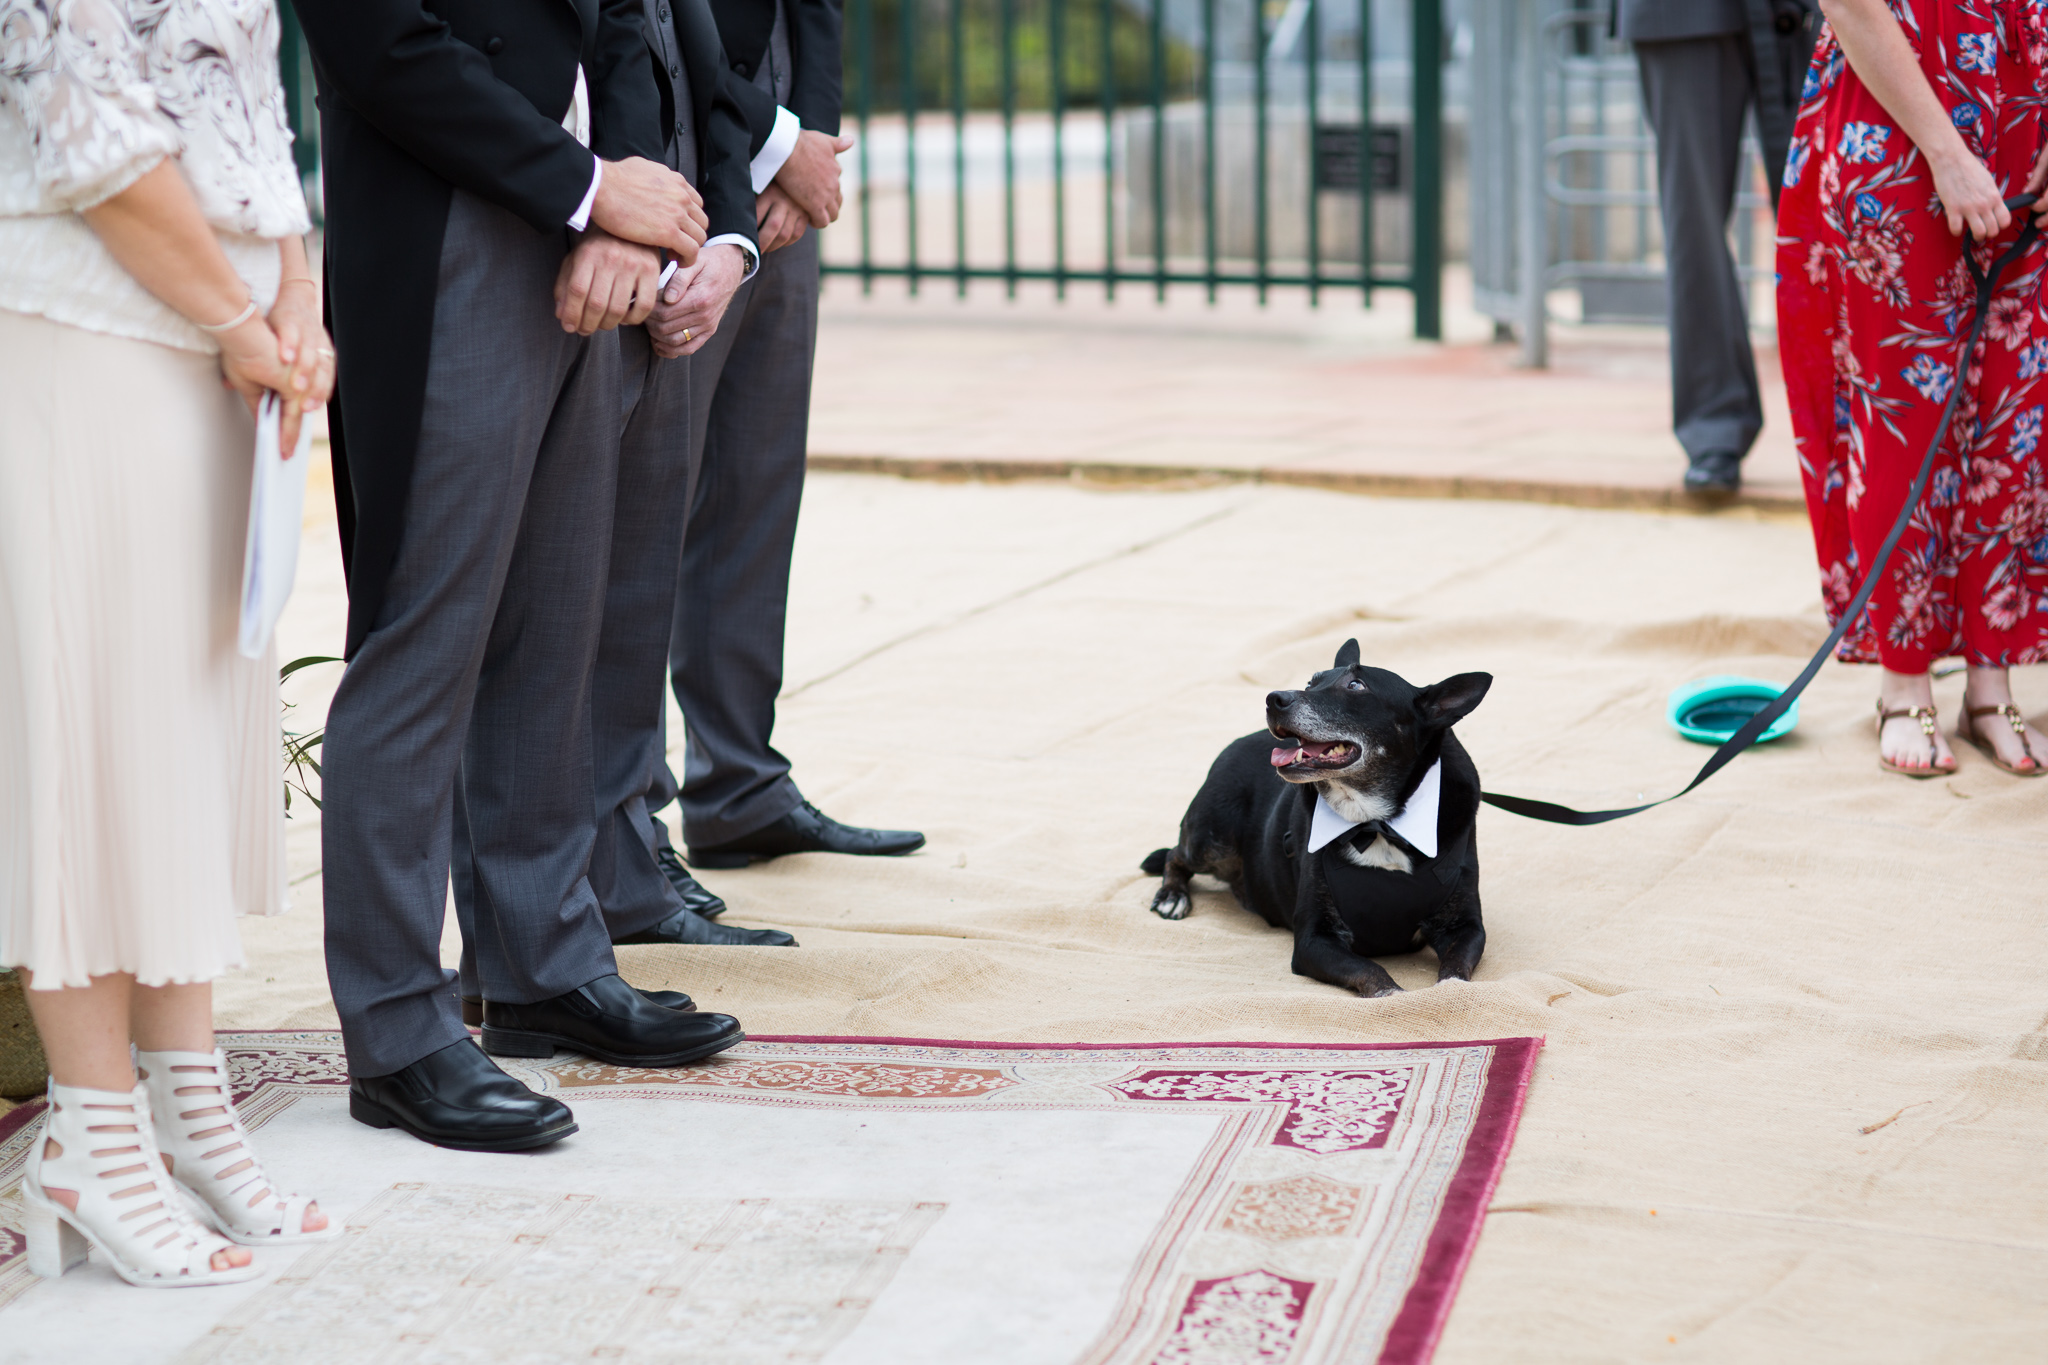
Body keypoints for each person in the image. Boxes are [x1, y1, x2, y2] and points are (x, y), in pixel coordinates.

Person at [293, 0, 746, 1153]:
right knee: (424, 634)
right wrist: (583, 190)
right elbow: (381, 44)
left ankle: (543, 969)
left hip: (587, 236)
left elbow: (620, 27)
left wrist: (623, 217)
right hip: (447, 226)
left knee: (555, 623)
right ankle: (398, 1032)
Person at [0, 0, 335, 1284]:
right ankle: (90, 1133)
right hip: (86, 326)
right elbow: (91, 135)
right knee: (95, 739)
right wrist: (240, 321)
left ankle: (185, 1102)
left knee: (179, 735)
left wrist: (294, 294)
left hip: (216, 334)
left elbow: (253, 104)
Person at [635, 0, 927, 900]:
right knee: (643, 509)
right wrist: (774, 141)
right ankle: (623, 830)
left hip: (777, 137)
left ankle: (739, 786)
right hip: (670, 141)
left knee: (756, 490)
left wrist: (811, 143)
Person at [1777, 0, 2048, 778]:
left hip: (2023, 112)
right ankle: (1904, 681)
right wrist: (1947, 151)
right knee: (1898, 413)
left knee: (2014, 413)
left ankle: (1991, 682)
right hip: (1901, 116)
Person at [1619, 0, 1818, 493]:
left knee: (1828, 217)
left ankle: (1856, 418)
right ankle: (1714, 425)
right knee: (1694, 221)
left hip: (1815, 13)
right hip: (1683, 14)